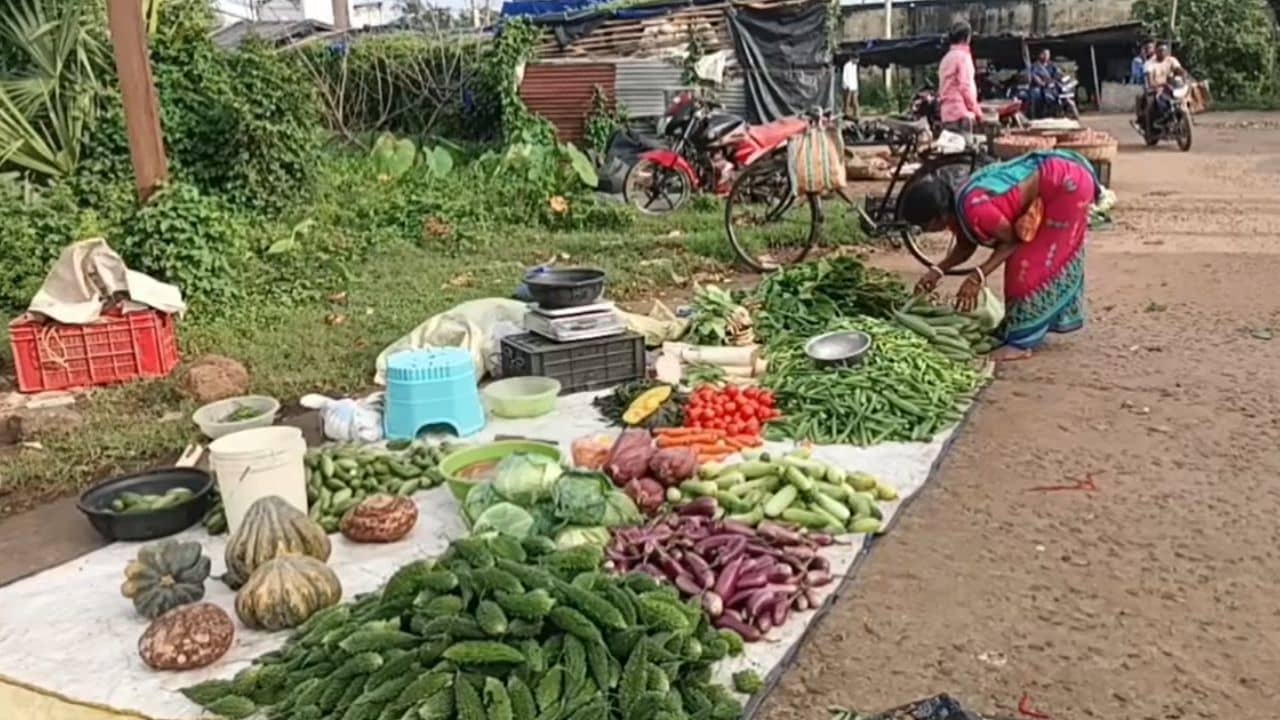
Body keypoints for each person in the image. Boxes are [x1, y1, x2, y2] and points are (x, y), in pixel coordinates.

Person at [903, 149, 1100, 361]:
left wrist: (978, 276)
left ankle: (1021, 343)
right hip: (1057, 178)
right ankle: (1023, 328)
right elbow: (965, 246)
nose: (924, 231)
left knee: (1025, 266)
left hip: (1066, 185)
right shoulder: (959, 207)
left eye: (924, 225)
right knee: (1027, 262)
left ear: (937, 218)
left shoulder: (975, 208)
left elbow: (1011, 242)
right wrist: (938, 270)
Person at [938, 21, 982, 133]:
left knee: (952, 148)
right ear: (966, 38)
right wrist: (977, 111)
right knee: (967, 149)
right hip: (961, 116)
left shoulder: (946, 58)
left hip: (946, 115)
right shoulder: (963, 57)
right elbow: (965, 87)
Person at [1143, 41, 1187, 128]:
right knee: (1159, 101)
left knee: (1186, 93)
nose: (1163, 52)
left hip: (1170, 87)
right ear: (1156, 51)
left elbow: (1179, 70)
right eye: (1160, 50)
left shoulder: (1171, 60)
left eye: (1165, 50)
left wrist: (1183, 75)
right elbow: (1150, 82)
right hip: (1156, 88)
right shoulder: (1149, 64)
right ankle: (1162, 119)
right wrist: (1162, 84)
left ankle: (1184, 116)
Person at [1028, 49, 1061, 118]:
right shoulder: (1035, 66)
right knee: (1036, 94)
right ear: (1040, 55)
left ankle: (1056, 112)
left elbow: (1057, 76)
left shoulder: (1052, 65)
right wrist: (1042, 83)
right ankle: (1036, 115)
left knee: (1057, 94)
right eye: (1044, 54)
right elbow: (1034, 76)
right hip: (1038, 86)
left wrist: (1054, 82)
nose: (1046, 56)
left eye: (1048, 54)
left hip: (1050, 86)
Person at [842, 54, 860, 120]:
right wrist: (846, 85)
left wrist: (857, 87)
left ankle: (856, 115)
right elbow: (844, 77)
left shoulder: (855, 66)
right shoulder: (847, 65)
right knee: (847, 102)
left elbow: (855, 77)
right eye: (856, 59)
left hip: (854, 87)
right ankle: (846, 115)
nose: (857, 61)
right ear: (852, 58)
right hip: (848, 87)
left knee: (855, 101)